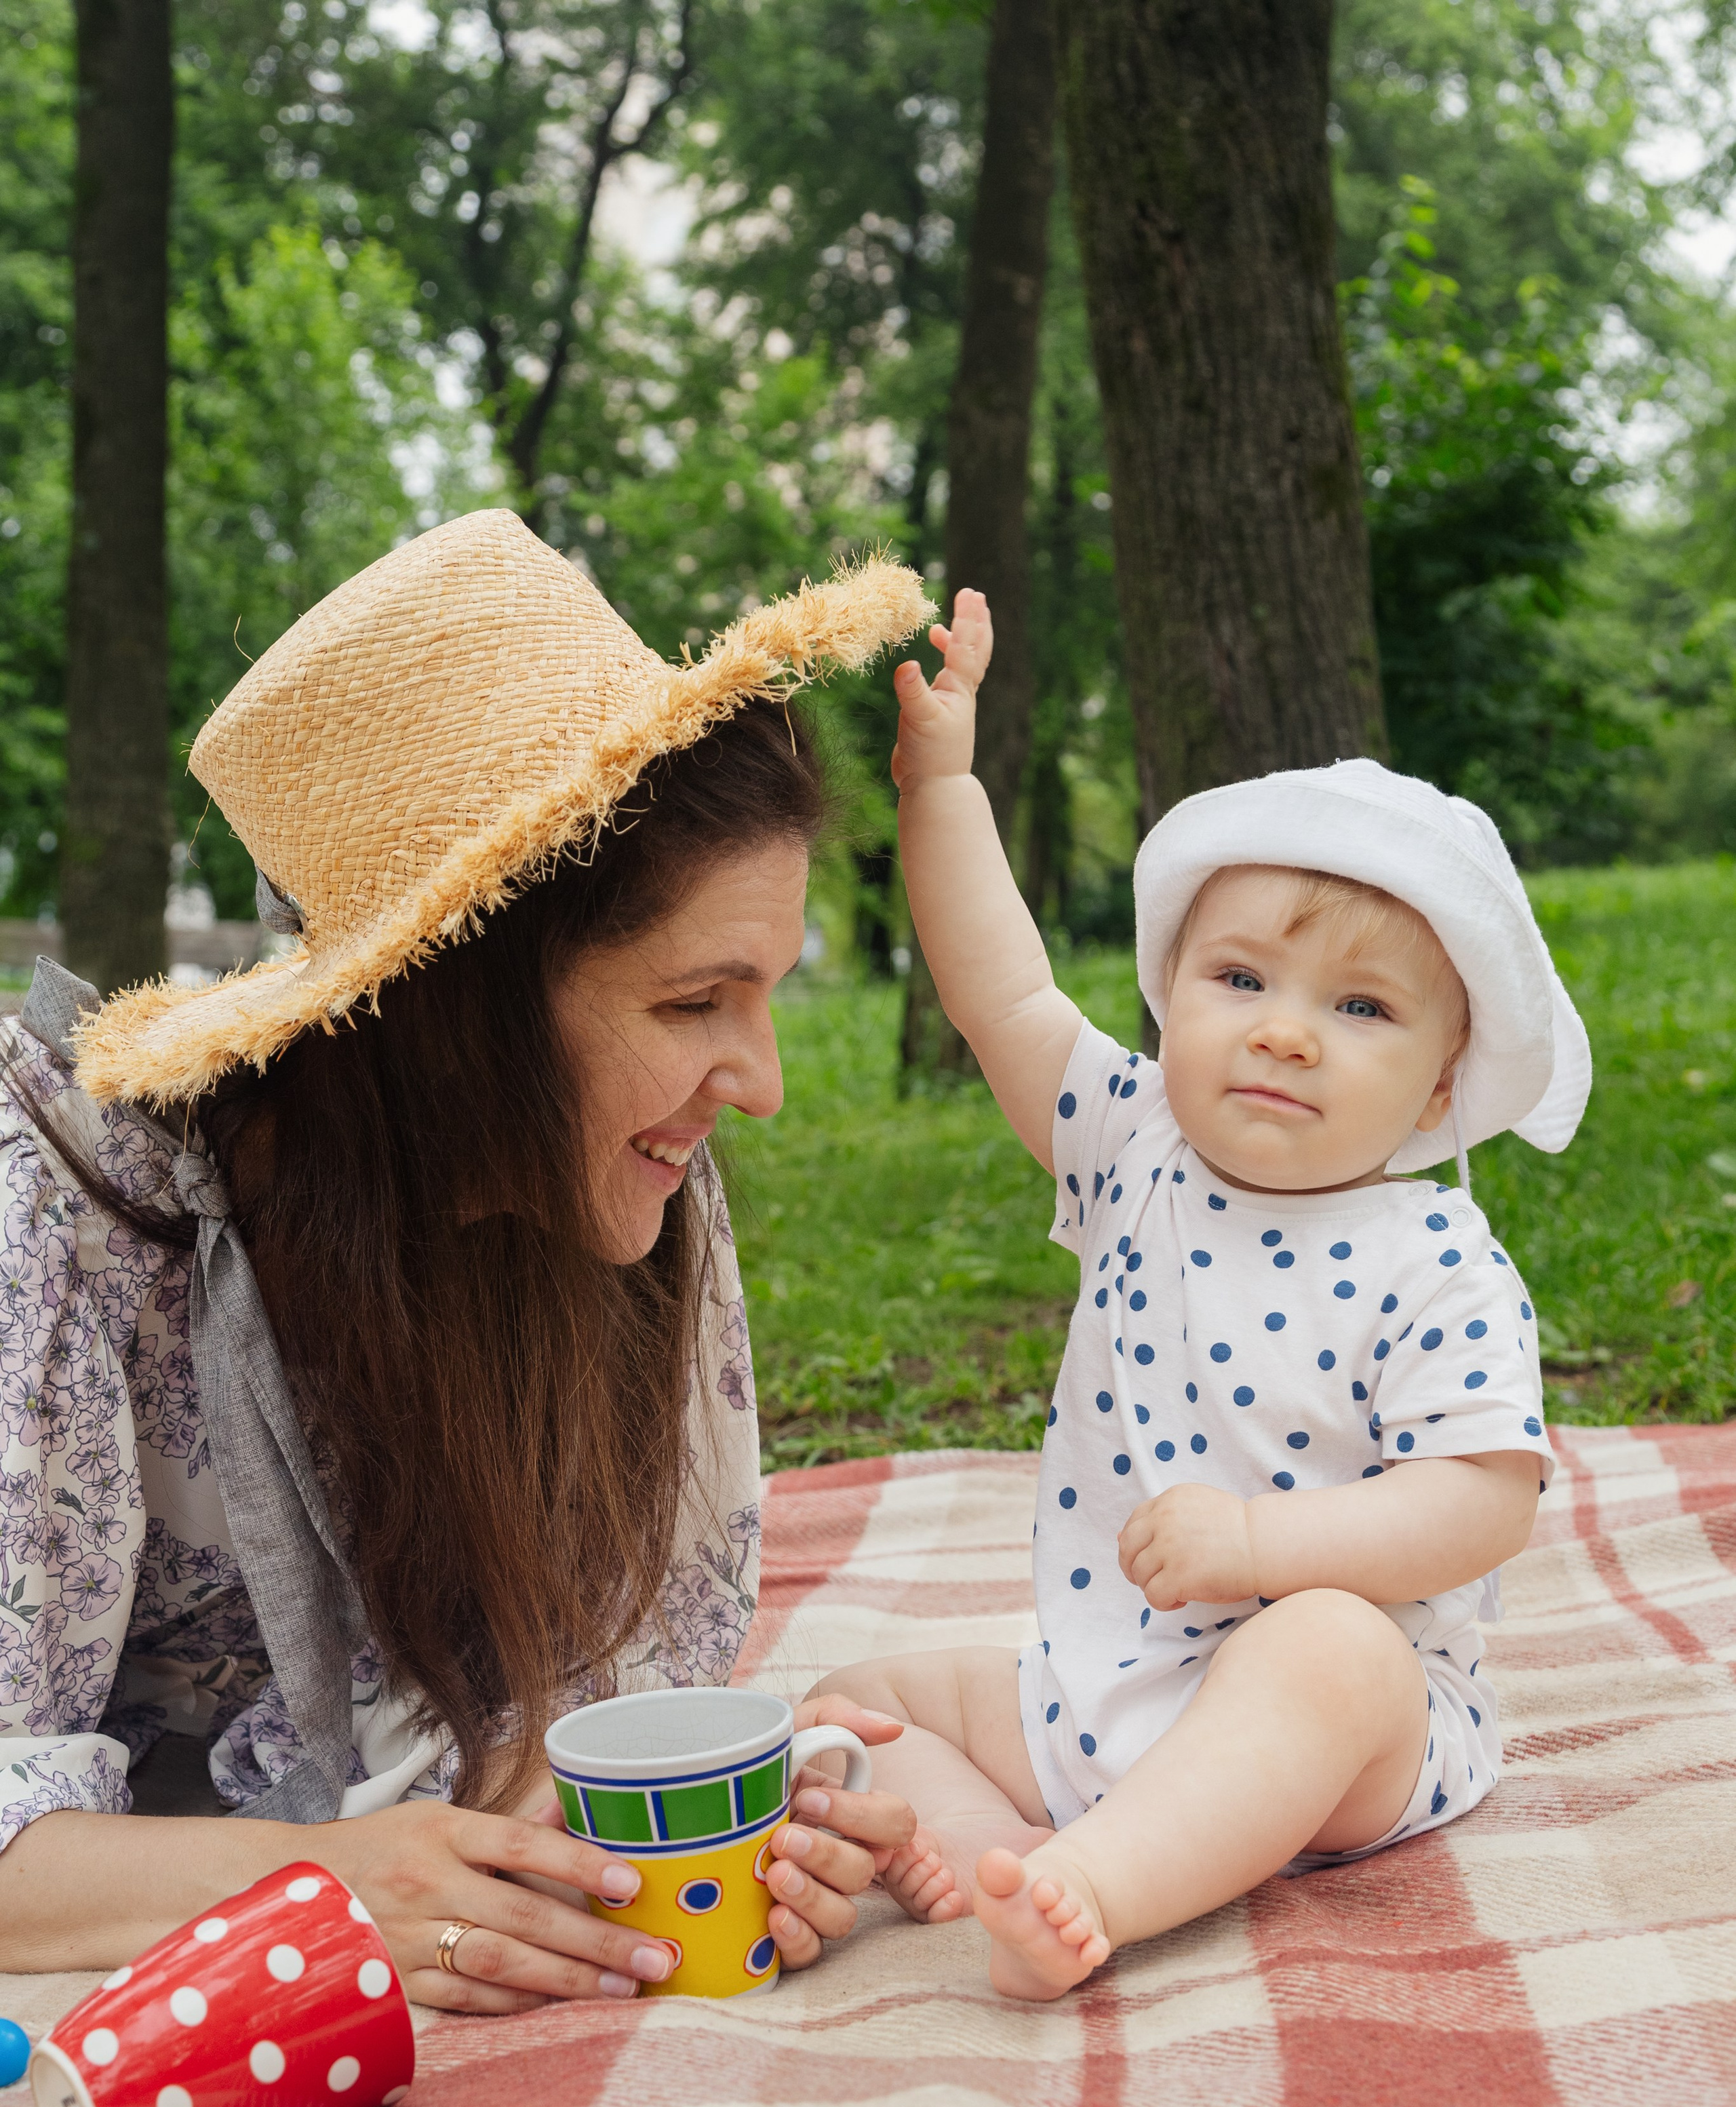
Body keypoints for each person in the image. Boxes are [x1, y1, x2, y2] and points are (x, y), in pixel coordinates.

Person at [0, 509, 929, 2009]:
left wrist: (675, 1838)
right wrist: (328, 1881)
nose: (756, 1081)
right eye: (697, 1001)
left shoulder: (613, 1190)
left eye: (761, 996)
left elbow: (587, 1702)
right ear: (455, 1017)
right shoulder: (63, 1232)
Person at [812, 592, 1594, 2001]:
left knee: (1333, 1647)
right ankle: (995, 1853)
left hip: (1339, 1733)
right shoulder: (1130, 1147)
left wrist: (1258, 1540)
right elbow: (1001, 993)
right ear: (1170, 996)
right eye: (1239, 977)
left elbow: (1483, 1499)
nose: (1286, 1028)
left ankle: (1094, 1887)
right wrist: (941, 785)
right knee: (853, 1704)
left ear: (1435, 1085)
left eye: (1360, 1008)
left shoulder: (1436, 1256)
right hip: (1100, 1690)